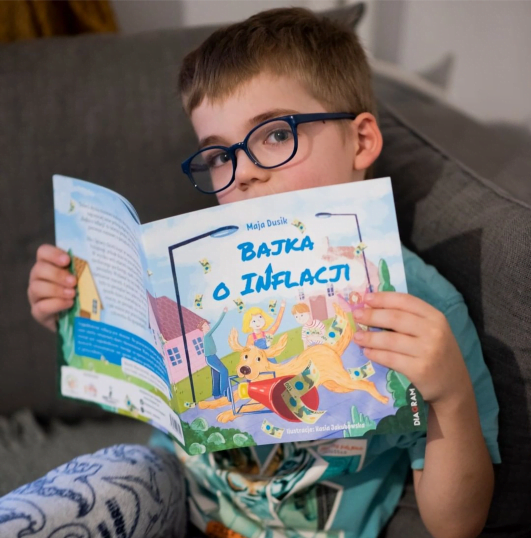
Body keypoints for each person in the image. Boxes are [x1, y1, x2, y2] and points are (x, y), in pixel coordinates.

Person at [8, 8, 500, 538]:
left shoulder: (424, 309)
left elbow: (457, 525)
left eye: (275, 135)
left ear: (360, 141)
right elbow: (143, 380)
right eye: (218, 156)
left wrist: (451, 397)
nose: (241, 173)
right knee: (87, 488)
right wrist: (79, 314)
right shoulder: (189, 272)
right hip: (169, 491)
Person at [200, 306, 230, 400]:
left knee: (216, 374)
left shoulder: (207, 336)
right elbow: (217, 325)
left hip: (213, 356)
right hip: (210, 358)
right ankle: (224, 392)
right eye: (205, 325)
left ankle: (216, 394)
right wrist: (224, 313)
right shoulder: (207, 335)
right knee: (224, 371)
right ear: (202, 328)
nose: (208, 326)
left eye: (207, 325)